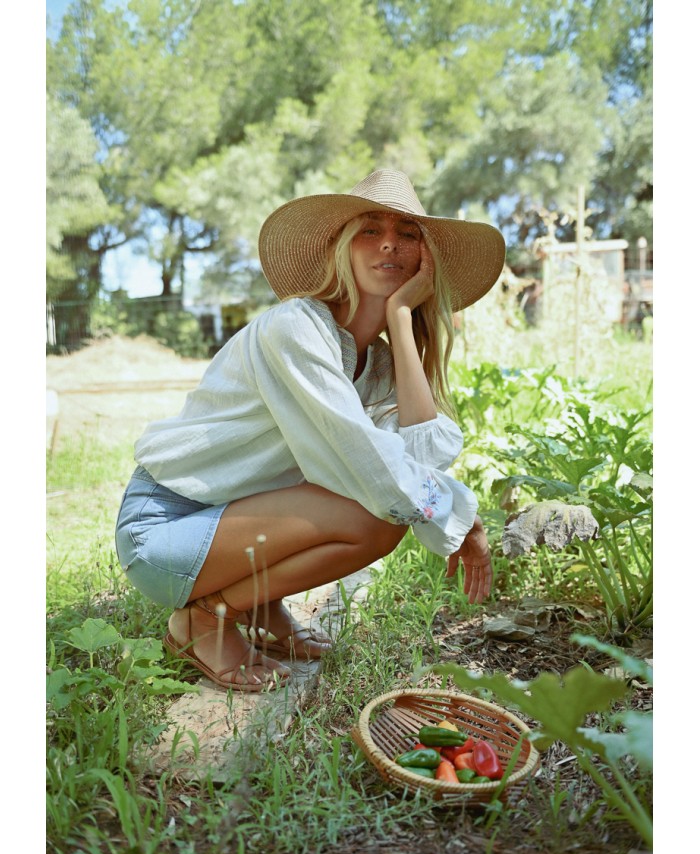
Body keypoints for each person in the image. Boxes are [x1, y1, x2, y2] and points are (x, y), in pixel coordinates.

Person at [114, 169, 506, 692]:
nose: (389, 241)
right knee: (377, 516)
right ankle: (205, 617)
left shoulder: (381, 364)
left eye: (407, 232)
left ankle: (255, 604)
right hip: (165, 530)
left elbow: (423, 458)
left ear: (424, 259)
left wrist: (401, 315)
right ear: (340, 249)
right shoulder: (296, 328)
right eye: (370, 228)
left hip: (231, 523)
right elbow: (372, 468)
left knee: (380, 507)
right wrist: (464, 514)